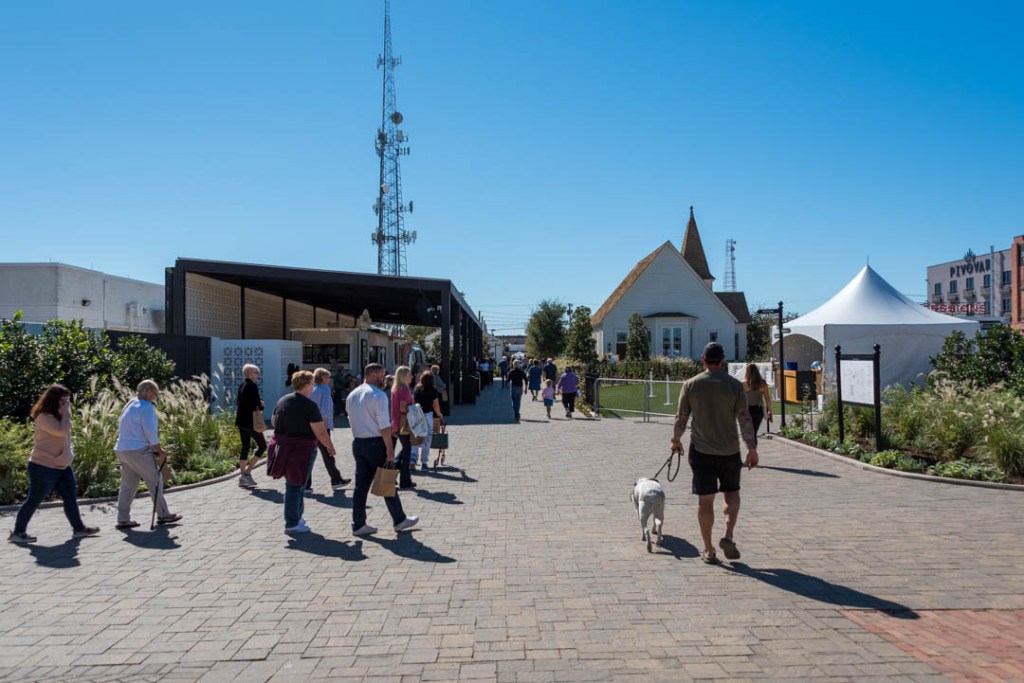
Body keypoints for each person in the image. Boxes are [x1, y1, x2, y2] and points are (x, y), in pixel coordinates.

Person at [670, 343, 758, 564]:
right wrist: (752, 449)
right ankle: (728, 536)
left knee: (705, 501)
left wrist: (676, 440)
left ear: (703, 359)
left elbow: (682, 417)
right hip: (729, 451)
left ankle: (708, 549)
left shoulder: (691, 385)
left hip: (701, 451)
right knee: (731, 494)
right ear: (723, 360)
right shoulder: (735, 385)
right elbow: (745, 419)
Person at [9, 385, 100, 544]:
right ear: (53, 400)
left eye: (67, 400)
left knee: (70, 497)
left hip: (62, 466)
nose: (66, 404)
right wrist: (66, 413)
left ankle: (79, 528)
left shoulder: (59, 415)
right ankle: (18, 532)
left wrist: (64, 413)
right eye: (63, 400)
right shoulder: (44, 417)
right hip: (43, 465)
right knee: (34, 499)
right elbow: (61, 431)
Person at [346, 363, 419, 536]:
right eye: (381, 375)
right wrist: (389, 448)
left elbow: (350, 417)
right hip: (376, 443)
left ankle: (358, 523)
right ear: (371, 375)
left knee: (361, 486)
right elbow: (384, 425)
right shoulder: (378, 395)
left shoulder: (353, 394)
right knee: (386, 480)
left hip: (358, 442)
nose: (384, 378)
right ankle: (399, 520)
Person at [269, 370, 337, 534]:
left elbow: (273, 421)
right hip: (301, 449)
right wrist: (329, 446)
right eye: (312, 384)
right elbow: (320, 431)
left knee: (294, 484)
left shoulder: (283, 400)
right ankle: (292, 522)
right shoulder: (309, 405)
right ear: (306, 386)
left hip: (282, 446)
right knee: (296, 485)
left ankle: (297, 517)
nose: (313, 387)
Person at [114, 380, 181, 530]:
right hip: (138, 450)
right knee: (155, 481)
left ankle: (123, 519)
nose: (155, 397)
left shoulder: (130, 404)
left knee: (128, 485)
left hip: (122, 449)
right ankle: (163, 514)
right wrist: (159, 449)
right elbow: (150, 432)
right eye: (155, 394)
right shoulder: (146, 407)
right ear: (148, 391)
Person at [308, 368, 352, 491]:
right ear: (323, 378)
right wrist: (324, 427)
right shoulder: (324, 389)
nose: (329, 379)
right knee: (328, 453)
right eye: (328, 377)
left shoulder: (312, 389)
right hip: (322, 426)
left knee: (310, 455)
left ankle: (306, 483)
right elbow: (325, 410)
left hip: (311, 426)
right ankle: (336, 480)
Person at [235, 364, 266, 489]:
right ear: (250, 373)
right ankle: (247, 473)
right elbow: (255, 404)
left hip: (240, 421)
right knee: (262, 446)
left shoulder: (241, 385)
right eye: (256, 372)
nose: (258, 373)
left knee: (245, 446)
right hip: (250, 421)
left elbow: (239, 402)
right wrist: (262, 405)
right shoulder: (252, 386)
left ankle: (243, 476)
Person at [390, 366, 416, 488]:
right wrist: (415, 408)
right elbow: (403, 408)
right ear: (404, 376)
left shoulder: (396, 389)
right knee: (407, 452)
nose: (412, 376)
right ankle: (405, 480)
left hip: (396, 422)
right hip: (404, 423)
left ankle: (394, 467)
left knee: (406, 448)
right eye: (410, 374)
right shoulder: (404, 390)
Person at [412, 370, 442, 469]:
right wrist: (439, 413)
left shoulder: (416, 389)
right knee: (427, 439)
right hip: (427, 415)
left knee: (416, 437)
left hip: (416, 414)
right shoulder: (433, 390)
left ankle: (413, 459)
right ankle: (424, 462)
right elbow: (435, 405)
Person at [743, 364, 773, 444]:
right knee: (754, 431)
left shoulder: (744, 384)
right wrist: (770, 411)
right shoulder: (762, 384)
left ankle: (751, 451)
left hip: (747, 410)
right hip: (758, 410)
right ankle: (752, 450)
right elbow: (767, 398)